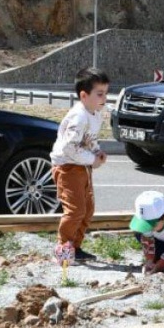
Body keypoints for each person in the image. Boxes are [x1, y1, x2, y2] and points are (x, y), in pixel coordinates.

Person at [51, 67, 109, 264]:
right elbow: (69, 147)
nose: (104, 98)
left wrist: (96, 151)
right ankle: (63, 247)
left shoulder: (95, 114)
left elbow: (90, 139)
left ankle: (75, 246)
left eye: (106, 93)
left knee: (88, 209)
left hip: (83, 167)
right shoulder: (79, 116)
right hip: (68, 167)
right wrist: (92, 159)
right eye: (99, 94)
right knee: (75, 210)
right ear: (84, 95)